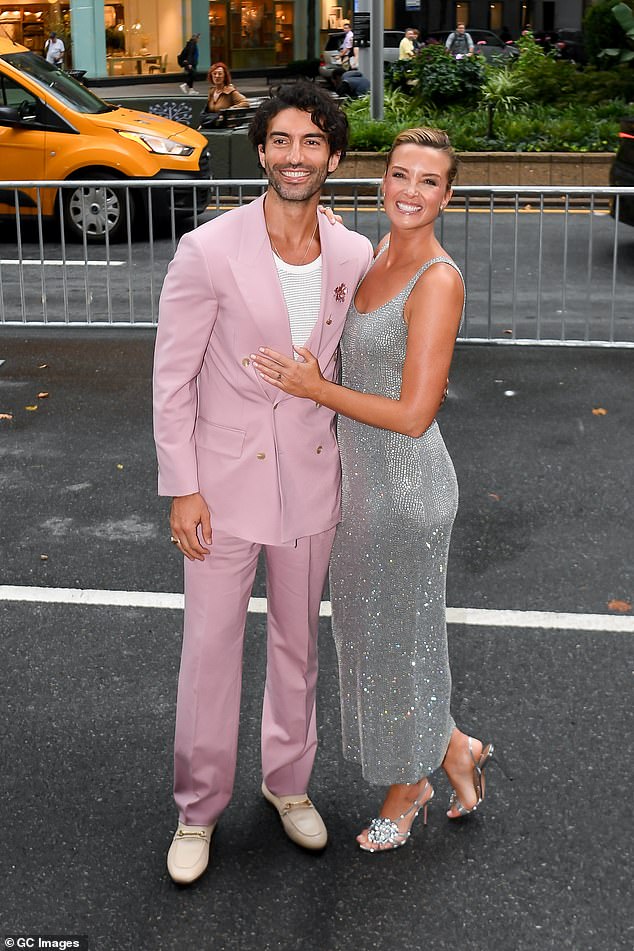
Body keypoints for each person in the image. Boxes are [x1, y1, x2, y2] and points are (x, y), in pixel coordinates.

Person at [252, 127, 497, 852]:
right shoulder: (376, 252)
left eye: (428, 181)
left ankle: (408, 786)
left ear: (448, 195)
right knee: (369, 636)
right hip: (359, 489)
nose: (410, 192)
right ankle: (457, 748)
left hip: (405, 491)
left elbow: (416, 413)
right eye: (399, 175)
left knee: (400, 644)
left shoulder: (438, 278)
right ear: (381, 180)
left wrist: (314, 388)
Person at [153, 81, 373, 884]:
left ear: (333, 157)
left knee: (299, 645)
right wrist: (182, 484)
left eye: (312, 142)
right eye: (280, 140)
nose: (295, 156)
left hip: (313, 483)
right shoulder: (209, 249)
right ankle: (198, 806)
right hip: (219, 488)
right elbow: (171, 378)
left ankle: (289, 783)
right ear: (262, 149)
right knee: (209, 652)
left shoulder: (352, 253)